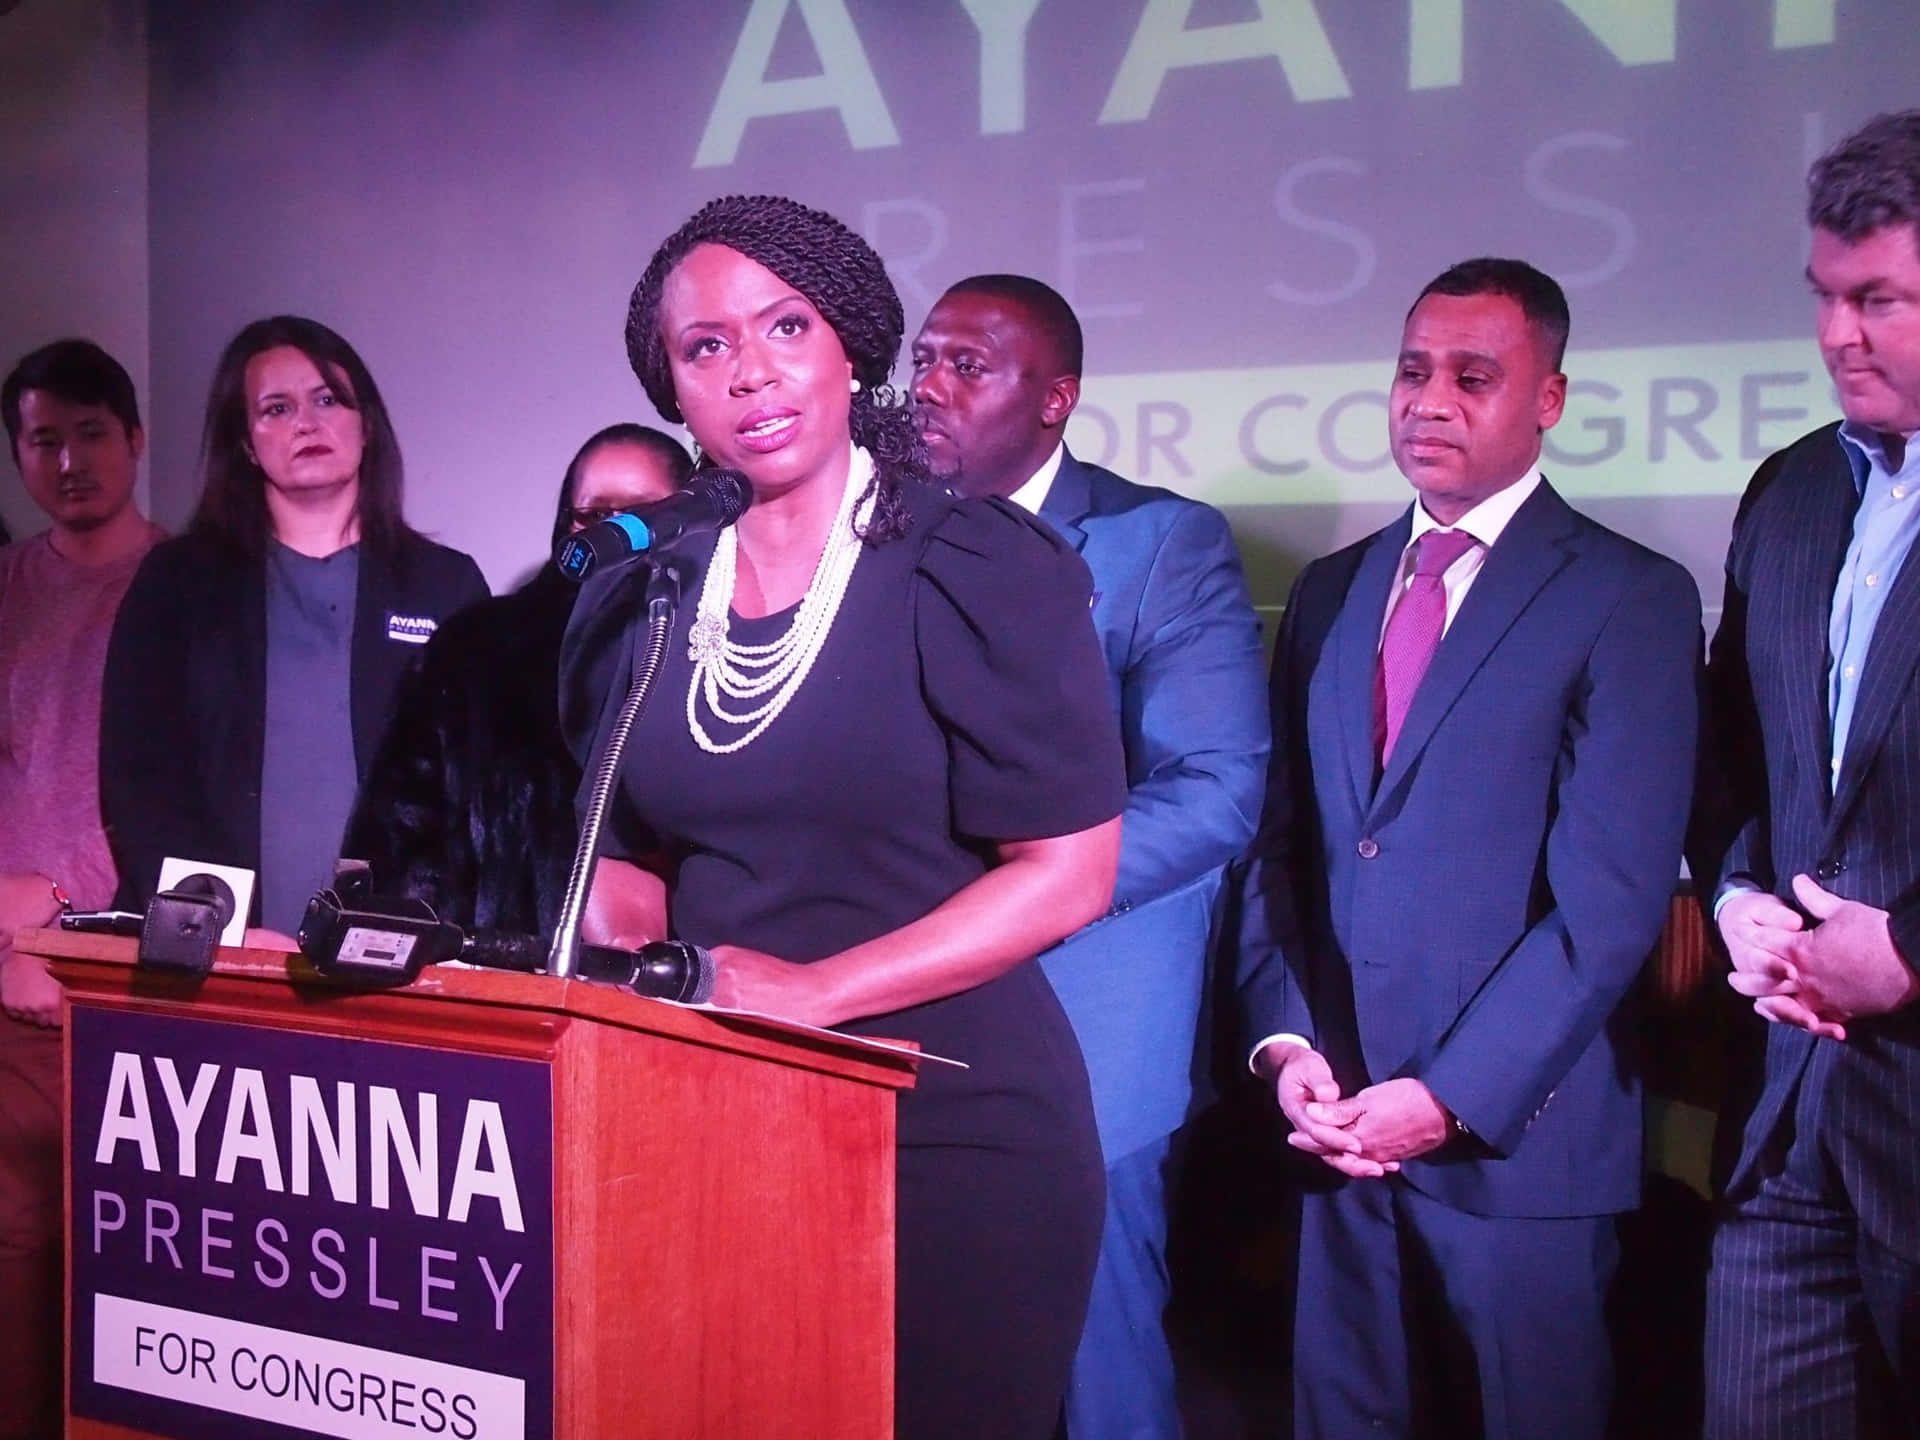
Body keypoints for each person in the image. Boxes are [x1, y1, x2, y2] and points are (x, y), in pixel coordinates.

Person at [560, 195, 1125, 1438]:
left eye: (786, 326)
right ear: (672, 384)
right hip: (712, 1113)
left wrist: (818, 993)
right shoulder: (643, 596)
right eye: (705, 347)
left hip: (949, 1127)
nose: (749, 370)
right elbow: (643, 857)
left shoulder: (969, 565)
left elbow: (1072, 872)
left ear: (854, 346)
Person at [1234, 258, 1700, 1439]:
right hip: (1338, 1138)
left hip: (1520, 1153)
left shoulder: (1628, 596)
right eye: (1412, 370)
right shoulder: (1334, 593)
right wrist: (1288, 1042)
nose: (1429, 400)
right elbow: (1284, 848)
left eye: (1473, 377)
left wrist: (1443, 1099)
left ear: (1546, 398)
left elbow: (1610, 906)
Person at [909, 274, 1268, 1439]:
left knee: (1093, 1357)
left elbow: (1215, 790)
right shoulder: (877, 536)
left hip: (1087, 1011)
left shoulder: (1158, 543)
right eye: (925, 359)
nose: (930, 388)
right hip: (896, 995)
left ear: (1056, 398)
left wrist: (1021, 892)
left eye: (970, 366)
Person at [1698, 110, 1920, 1438]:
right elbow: (1737, 760)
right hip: (1790, 1118)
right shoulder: (1789, 493)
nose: (1839, 333)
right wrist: (1733, 899)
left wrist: (1907, 951)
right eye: (1826, 299)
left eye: (1880, 298)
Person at [101, 316, 488, 934]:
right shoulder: (176, 583)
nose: (306, 423)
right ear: (246, 444)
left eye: (328, 399)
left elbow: (475, 791)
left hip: (398, 952)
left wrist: (411, 925)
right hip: (222, 953)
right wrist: (217, 929)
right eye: (275, 409)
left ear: (367, 426)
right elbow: (142, 779)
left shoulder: (447, 586)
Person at [0, 339, 165, 1439]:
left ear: (134, 441)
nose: (69, 462)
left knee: (154, 1279)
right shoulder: (7, 589)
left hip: (149, 991)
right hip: (13, 989)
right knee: (19, 1263)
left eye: (91, 433)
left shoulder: (193, 580)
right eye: (43, 439)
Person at [344, 423, 691, 935]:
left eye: (640, 515)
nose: (614, 534)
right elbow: (401, 840)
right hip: (495, 988)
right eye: (594, 516)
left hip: (676, 992)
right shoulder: (476, 650)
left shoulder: (720, 651)